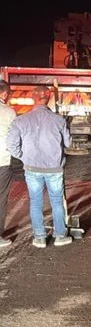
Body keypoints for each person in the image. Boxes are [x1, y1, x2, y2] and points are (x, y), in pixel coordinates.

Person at [6, 86, 72, 248]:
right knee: (56, 201)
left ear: (33, 97)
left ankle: (40, 237)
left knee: (36, 202)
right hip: (54, 168)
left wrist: (24, 157)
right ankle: (60, 236)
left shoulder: (20, 120)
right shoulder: (58, 120)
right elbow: (68, 143)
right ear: (48, 97)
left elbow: (11, 145)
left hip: (32, 168)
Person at [0, 81, 17, 248]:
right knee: (0, 198)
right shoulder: (9, 112)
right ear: (4, 94)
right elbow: (13, 138)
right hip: (2, 161)